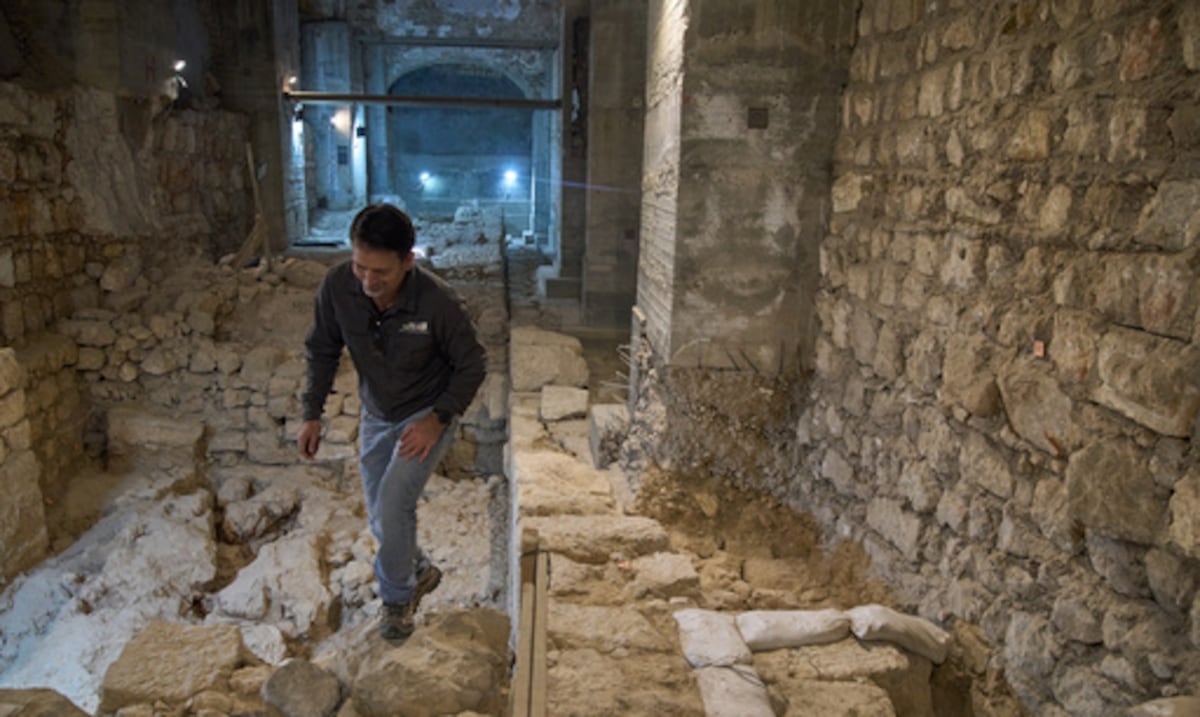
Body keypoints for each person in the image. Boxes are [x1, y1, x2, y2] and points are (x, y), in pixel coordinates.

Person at [297, 203, 487, 643]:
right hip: (377, 413)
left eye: (380, 271)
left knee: (393, 503)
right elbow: (323, 349)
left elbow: (472, 365)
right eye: (360, 266)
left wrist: (438, 419)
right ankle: (417, 569)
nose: (367, 281)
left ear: (408, 260)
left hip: (425, 413)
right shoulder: (337, 287)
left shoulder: (437, 303)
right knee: (380, 518)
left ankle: (397, 602)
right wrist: (312, 413)